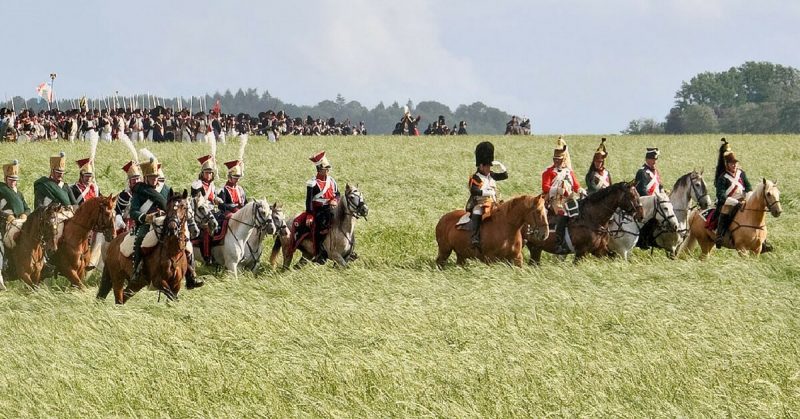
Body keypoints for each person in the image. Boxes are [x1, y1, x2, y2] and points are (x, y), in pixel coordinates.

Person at [541, 137, 582, 253]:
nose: (556, 161)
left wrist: (581, 191)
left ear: (563, 159)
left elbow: (576, 185)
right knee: (562, 215)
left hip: (568, 199)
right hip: (554, 200)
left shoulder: (569, 171)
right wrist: (559, 190)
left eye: (559, 159)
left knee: (579, 213)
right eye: (555, 159)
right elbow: (545, 187)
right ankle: (558, 243)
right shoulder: (548, 172)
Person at [466, 141, 508, 248]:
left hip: (494, 202)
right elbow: (474, 191)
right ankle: (475, 237)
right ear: (481, 166)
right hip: (479, 202)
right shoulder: (475, 177)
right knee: (477, 211)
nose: (490, 168)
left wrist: (501, 166)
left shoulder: (491, 175)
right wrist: (488, 192)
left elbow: (505, 176)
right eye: (488, 166)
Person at [714, 138, 752, 249]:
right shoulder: (722, 178)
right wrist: (735, 202)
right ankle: (720, 236)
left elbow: (748, 187)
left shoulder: (741, 174)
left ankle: (761, 240)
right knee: (725, 210)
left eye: (735, 163)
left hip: (742, 200)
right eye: (731, 163)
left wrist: (749, 197)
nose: (734, 165)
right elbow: (721, 196)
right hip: (728, 202)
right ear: (727, 164)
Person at [305, 151, 339, 263]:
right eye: (326, 168)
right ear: (319, 169)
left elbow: (337, 194)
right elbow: (309, 200)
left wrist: (334, 200)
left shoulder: (332, 181)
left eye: (328, 168)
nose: (328, 170)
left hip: (331, 208)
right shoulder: (313, 183)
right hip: (319, 210)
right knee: (320, 226)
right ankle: (319, 252)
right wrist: (309, 214)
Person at [0, 160, 31, 245]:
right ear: (6, 179)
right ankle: (6, 257)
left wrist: (25, 214)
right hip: (5, 222)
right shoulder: (1, 191)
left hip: (21, 221)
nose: (13, 182)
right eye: (10, 180)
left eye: (15, 180)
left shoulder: (19, 193)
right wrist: (7, 216)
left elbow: (27, 209)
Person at [114, 161, 141, 234]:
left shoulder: (144, 193)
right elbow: (117, 210)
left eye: (137, 178)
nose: (136, 181)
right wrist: (119, 219)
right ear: (129, 181)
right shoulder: (124, 195)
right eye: (133, 179)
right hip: (127, 225)